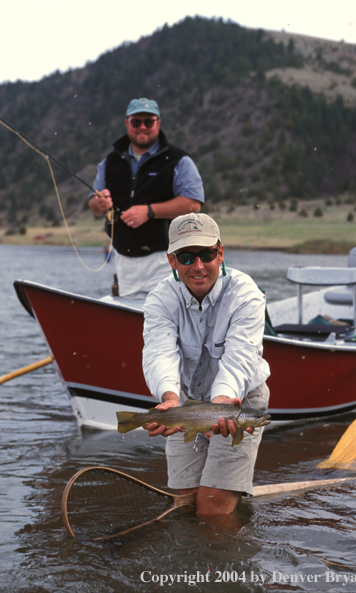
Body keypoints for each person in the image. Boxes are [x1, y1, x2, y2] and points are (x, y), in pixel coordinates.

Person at [142, 213, 270, 516]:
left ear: (220, 253)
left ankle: (223, 557)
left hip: (238, 403)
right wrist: (169, 399)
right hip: (185, 405)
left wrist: (224, 402)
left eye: (207, 254)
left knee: (212, 510)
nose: (198, 266)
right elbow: (159, 353)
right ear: (172, 260)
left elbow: (240, 357)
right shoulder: (159, 299)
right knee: (185, 503)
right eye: (187, 256)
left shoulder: (246, 294)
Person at [89, 98, 204, 298]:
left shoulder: (178, 160)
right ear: (127, 123)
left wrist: (149, 211)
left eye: (149, 122)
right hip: (123, 259)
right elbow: (94, 206)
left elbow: (193, 204)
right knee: (131, 321)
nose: (142, 127)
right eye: (136, 122)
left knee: (167, 318)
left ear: (158, 123)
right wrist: (99, 203)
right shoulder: (110, 162)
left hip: (166, 258)